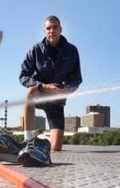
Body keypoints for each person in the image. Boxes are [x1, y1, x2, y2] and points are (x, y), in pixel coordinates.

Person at [19, 15, 82, 151]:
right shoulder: (35, 50)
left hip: (56, 100)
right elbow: (23, 76)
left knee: (56, 148)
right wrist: (42, 86)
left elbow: (77, 78)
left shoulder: (72, 51)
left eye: (55, 27)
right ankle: (28, 138)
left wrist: (67, 89)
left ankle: (41, 141)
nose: (51, 30)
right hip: (40, 93)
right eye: (48, 28)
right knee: (29, 90)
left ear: (60, 29)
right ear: (44, 31)